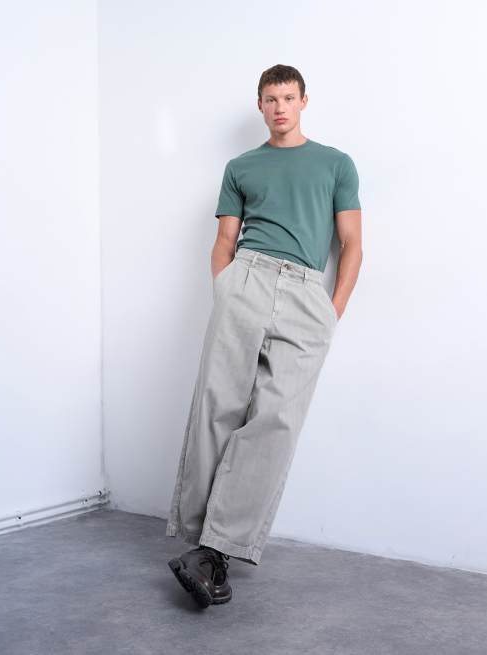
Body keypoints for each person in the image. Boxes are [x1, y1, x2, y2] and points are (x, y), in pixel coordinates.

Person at [165, 63, 362, 608]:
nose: (280, 107)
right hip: (246, 280)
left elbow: (352, 244)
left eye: (288, 98)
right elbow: (223, 240)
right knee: (217, 408)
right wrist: (226, 290)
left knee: (275, 422)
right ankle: (207, 548)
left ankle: (213, 551)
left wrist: (331, 312)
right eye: (271, 99)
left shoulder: (336, 163)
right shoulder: (241, 167)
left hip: (305, 293)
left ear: (304, 102)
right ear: (260, 105)